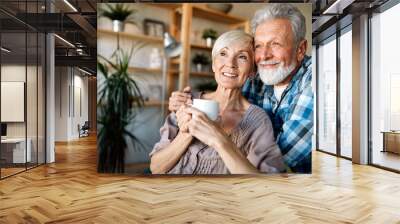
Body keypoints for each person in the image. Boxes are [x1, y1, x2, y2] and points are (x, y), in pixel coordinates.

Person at [168, 4, 313, 173]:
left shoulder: (315, 80)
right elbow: (227, 100)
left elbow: (276, 162)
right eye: (259, 45)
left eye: (276, 44)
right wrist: (182, 103)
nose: (264, 56)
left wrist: (219, 138)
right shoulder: (258, 71)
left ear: (301, 49)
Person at [150, 30, 285, 174]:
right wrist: (186, 133)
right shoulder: (186, 100)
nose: (230, 64)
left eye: (242, 57)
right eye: (223, 54)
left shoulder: (258, 120)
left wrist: (218, 139)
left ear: (252, 71)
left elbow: (263, 185)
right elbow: (155, 168)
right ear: (214, 65)